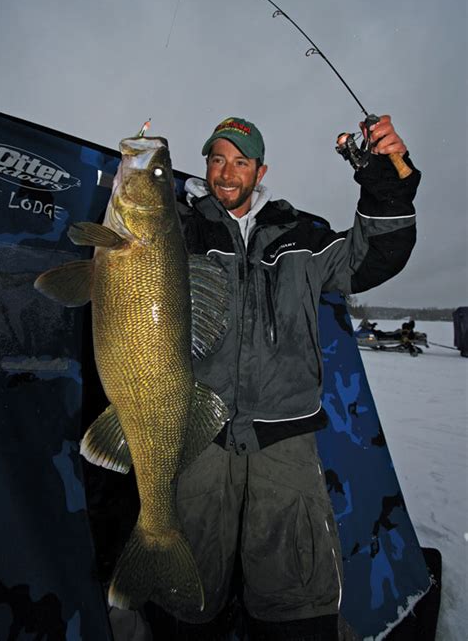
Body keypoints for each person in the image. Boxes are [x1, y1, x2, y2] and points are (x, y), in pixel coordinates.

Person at [146, 115, 420, 641]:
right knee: (185, 588)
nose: (228, 173)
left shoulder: (303, 235)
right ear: (206, 165)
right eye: (218, 159)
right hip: (201, 432)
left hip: (286, 435)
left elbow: (373, 256)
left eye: (241, 161)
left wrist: (386, 184)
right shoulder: (181, 228)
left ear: (260, 169)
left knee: (295, 593)